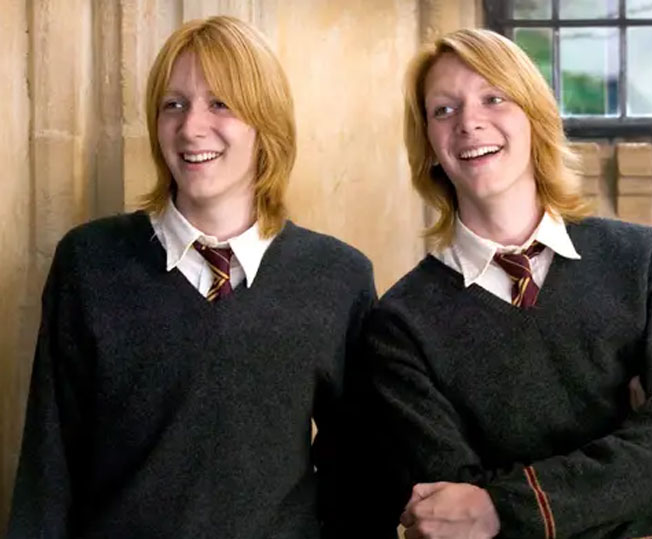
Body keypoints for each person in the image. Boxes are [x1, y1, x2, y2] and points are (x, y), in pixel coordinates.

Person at [7, 15, 377, 539]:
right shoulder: (89, 264)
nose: (190, 128)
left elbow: (357, 477)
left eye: (220, 104)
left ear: (266, 122)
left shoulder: (338, 277)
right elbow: (48, 470)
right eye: (173, 105)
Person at [362, 28, 652, 538]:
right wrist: (635, 466)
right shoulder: (400, 325)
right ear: (428, 143)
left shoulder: (647, 264)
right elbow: (454, 514)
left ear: (535, 118)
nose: (469, 123)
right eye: (444, 110)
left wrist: (501, 507)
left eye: (493, 98)